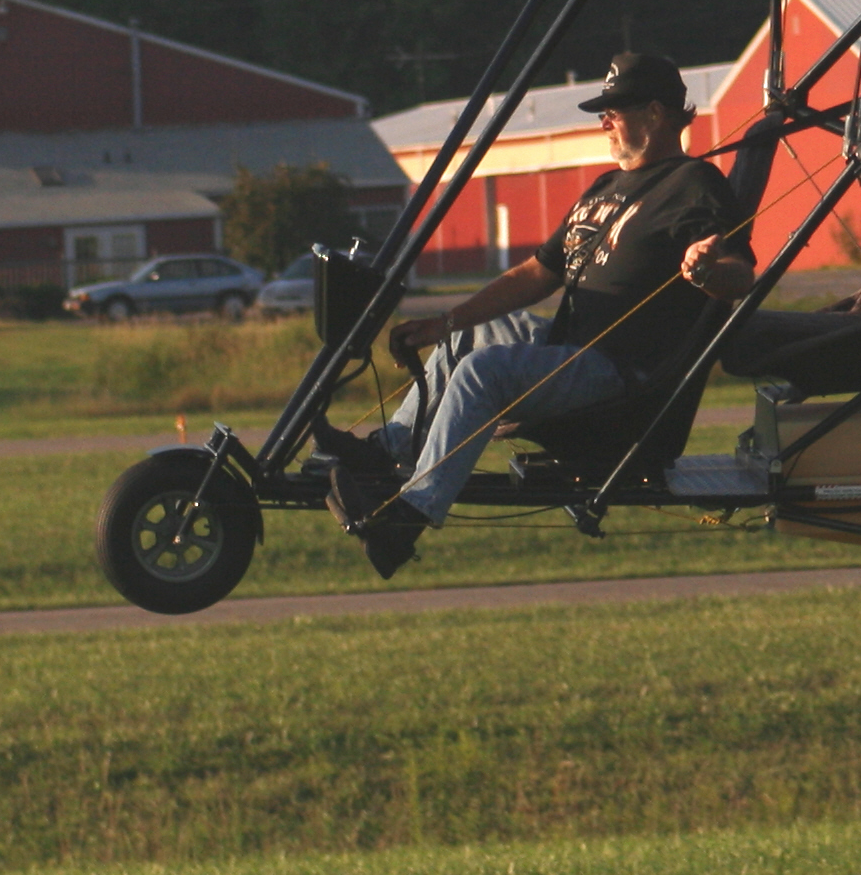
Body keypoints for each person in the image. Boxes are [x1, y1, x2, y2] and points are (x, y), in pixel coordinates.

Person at [318, 52, 756, 577]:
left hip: (621, 375)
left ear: (658, 113)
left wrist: (707, 269)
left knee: (486, 372)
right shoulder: (603, 189)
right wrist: (445, 322)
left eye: (615, 108)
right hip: (569, 347)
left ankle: (408, 519)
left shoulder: (694, 183)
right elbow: (535, 274)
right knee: (466, 340)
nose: (604, 120)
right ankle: (385, 451)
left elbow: (739, 272)